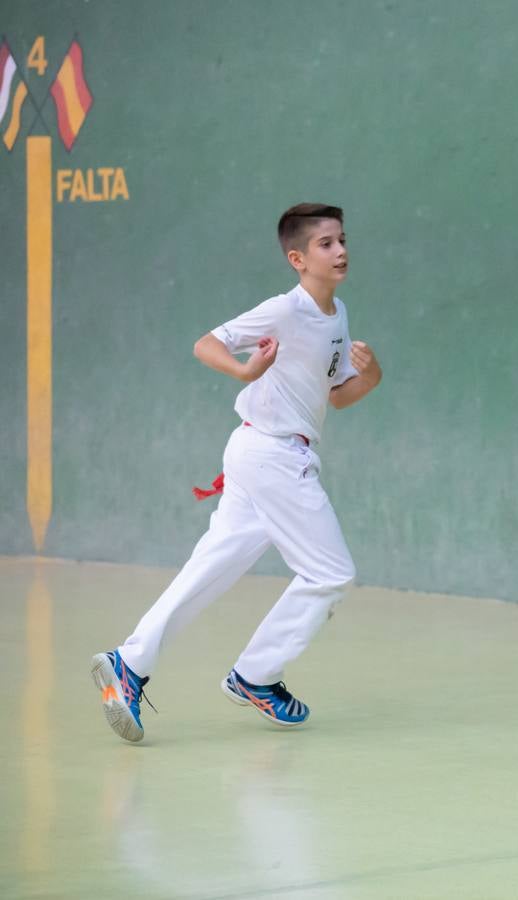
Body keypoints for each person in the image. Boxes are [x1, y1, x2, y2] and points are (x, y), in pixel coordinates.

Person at [91, 203, 382, 742]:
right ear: (297, 258)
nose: (340, 251)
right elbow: (207, 344)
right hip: (272, 456)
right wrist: (245, 369)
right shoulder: (282, 310)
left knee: (211, 568)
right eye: (325, 244)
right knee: (330, 573)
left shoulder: (336, 316)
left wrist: (373, 374)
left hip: (260, 454)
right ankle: (257, 676)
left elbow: (338, 397)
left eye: (342, 240)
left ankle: (128, 663)